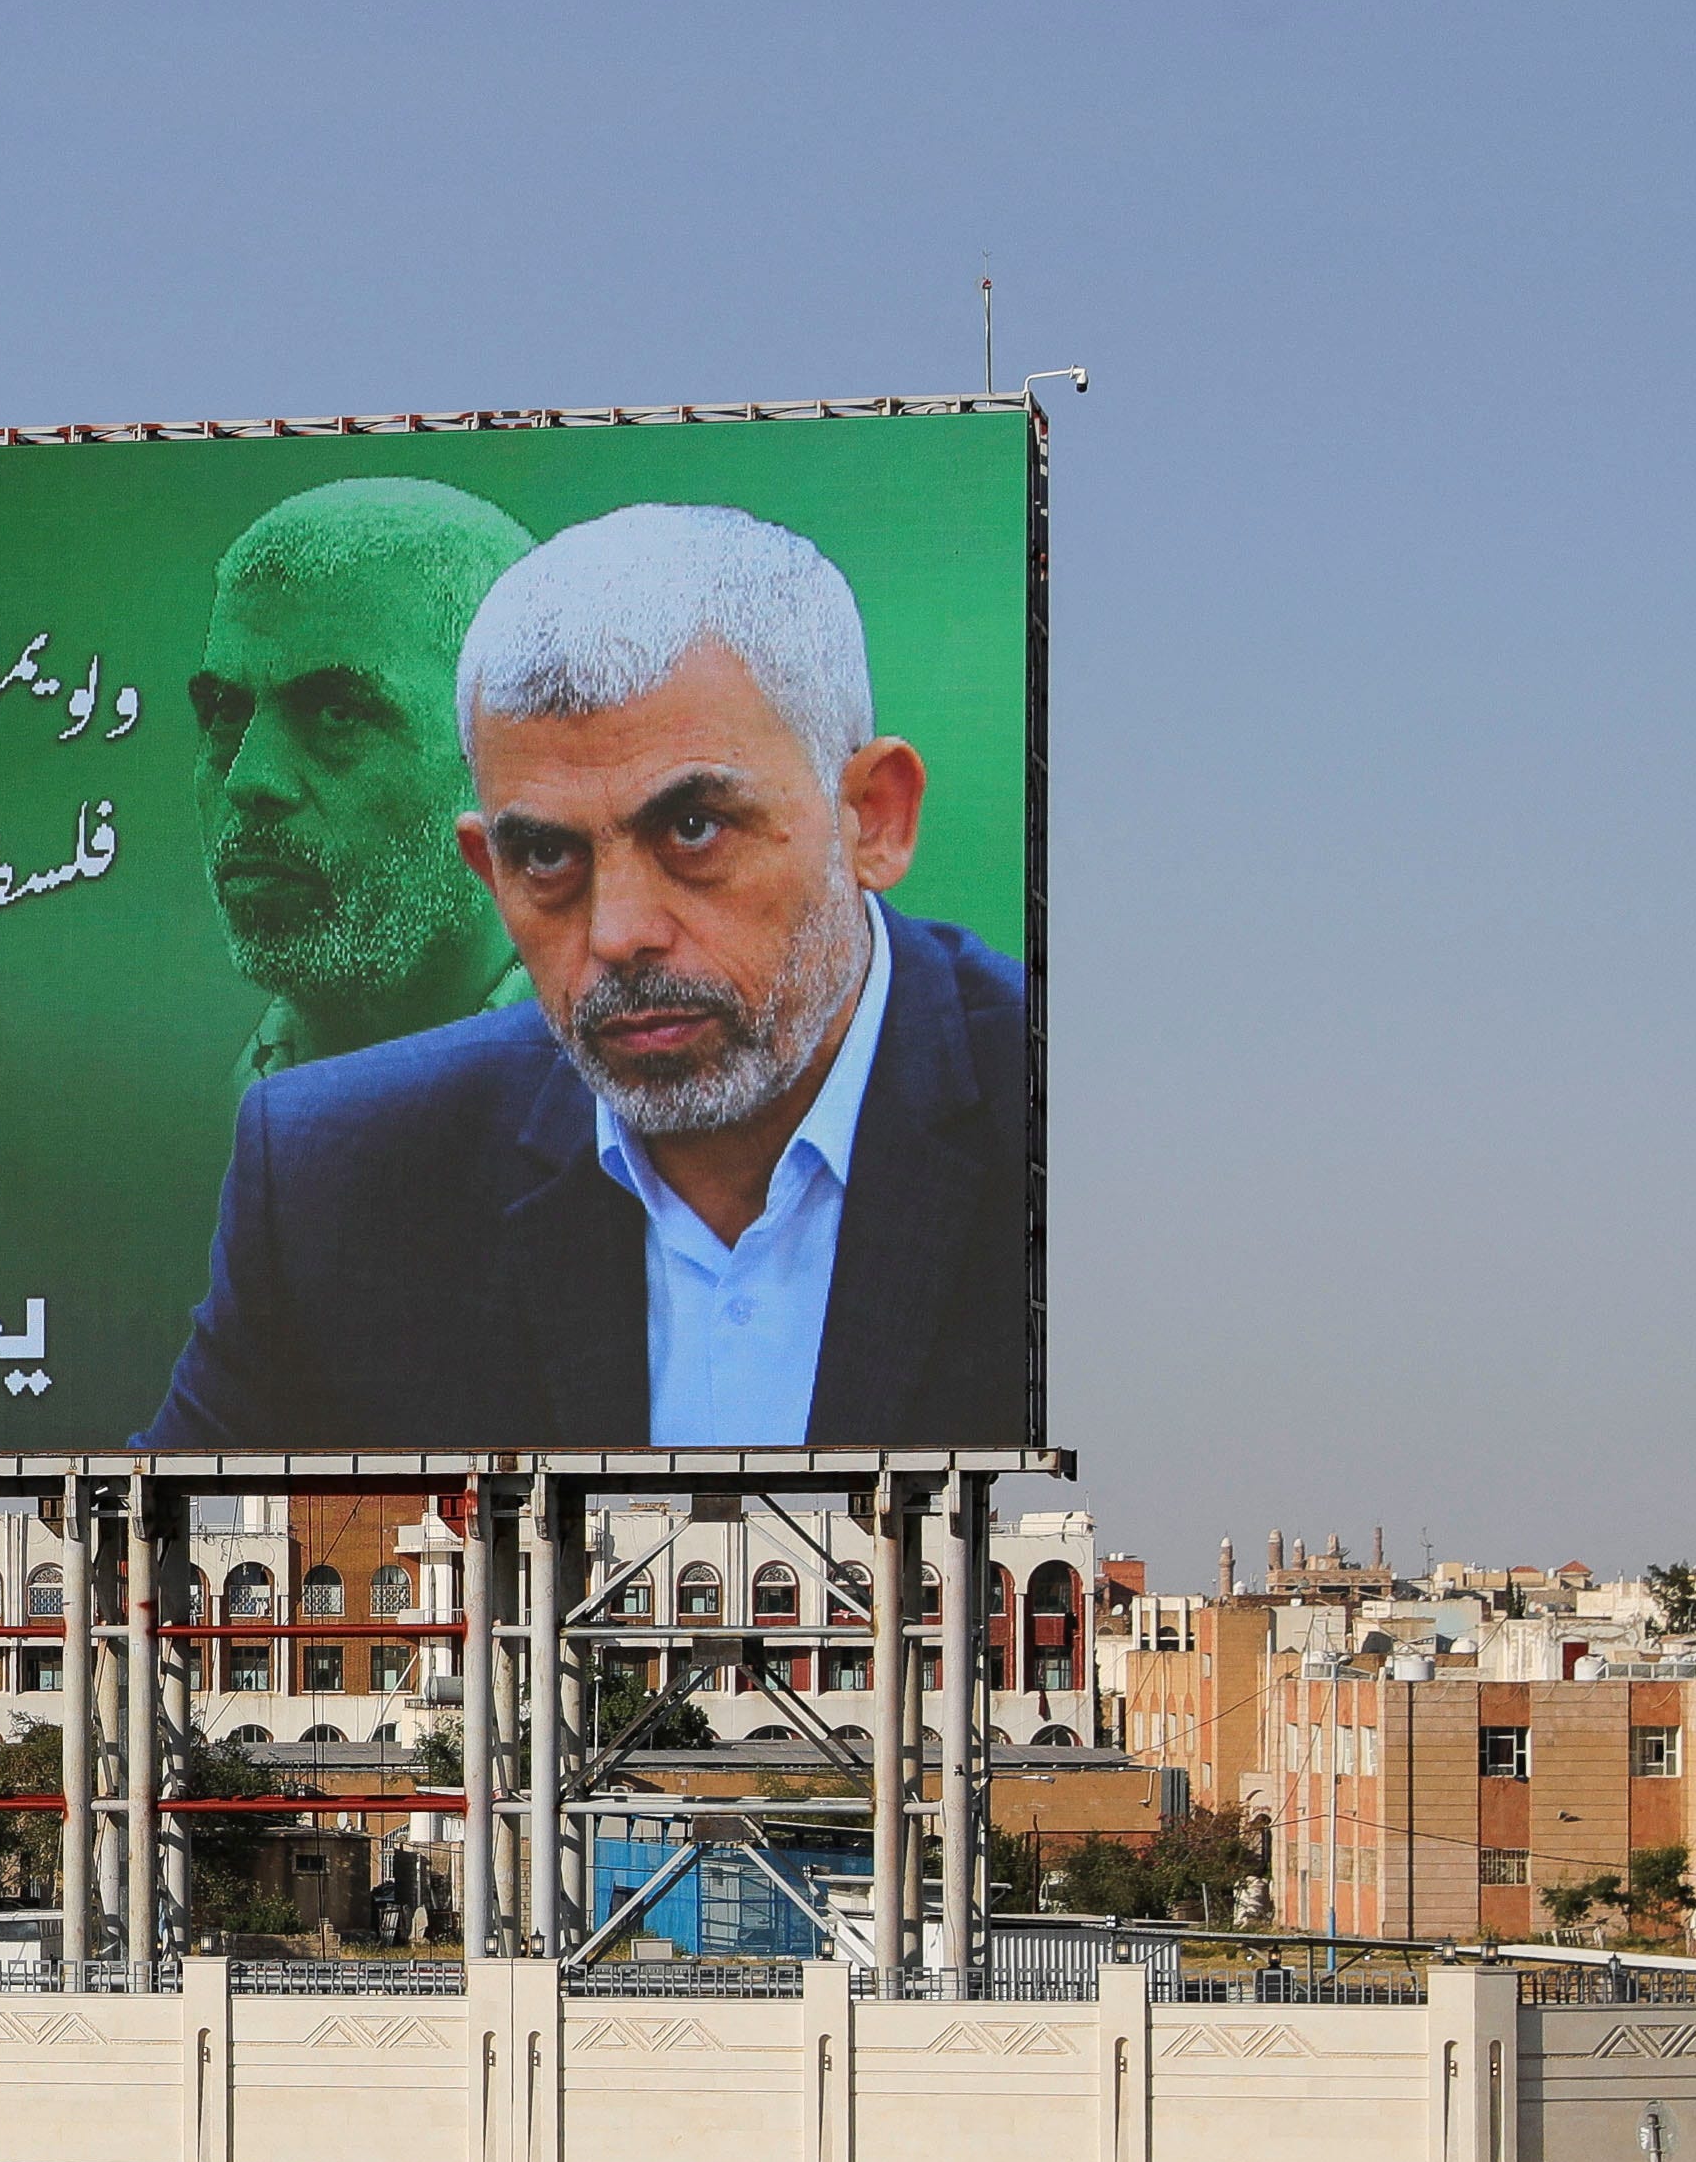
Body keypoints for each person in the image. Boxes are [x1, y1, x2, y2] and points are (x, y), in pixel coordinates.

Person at [138, 500, 1036, 1453]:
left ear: (875, 819)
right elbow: (139, 1572)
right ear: (489, 872)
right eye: (549, 859)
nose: (617, 935)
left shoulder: (1059, 1129)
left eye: (693, 830)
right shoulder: (337, 1182)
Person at [183, 476, 541, 1090]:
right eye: (225, 712)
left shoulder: (661, 1135)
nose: (249, 779)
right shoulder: (184, 1131)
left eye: (336, 715)